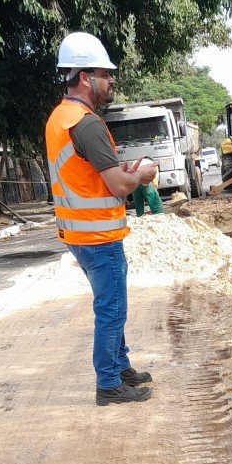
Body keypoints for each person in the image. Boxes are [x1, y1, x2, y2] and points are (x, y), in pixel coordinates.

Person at [46, 31, 158, 406]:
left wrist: (118, 175)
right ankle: (109, 384)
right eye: (105, 74)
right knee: (112, 309)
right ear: (83, 77)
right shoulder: (86, 122)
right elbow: (118, 186)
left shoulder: (60, 118)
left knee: (111, 305)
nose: (111, 81)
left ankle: (120, 367)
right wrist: (139, 176)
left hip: (79, 234)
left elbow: (90, 176)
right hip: (99, 238)